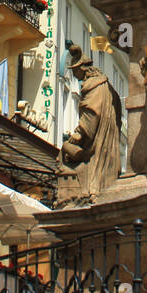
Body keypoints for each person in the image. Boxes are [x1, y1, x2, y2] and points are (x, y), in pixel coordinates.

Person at [58, 45, 121, 199]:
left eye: (75, 70)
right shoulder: (103, 84)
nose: (73, 73)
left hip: (98, 134)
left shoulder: (93, 85)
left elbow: (92, 111)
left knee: (92, 160)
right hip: (106, 132)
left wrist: (80, 133)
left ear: (82, 68)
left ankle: (92, 189)